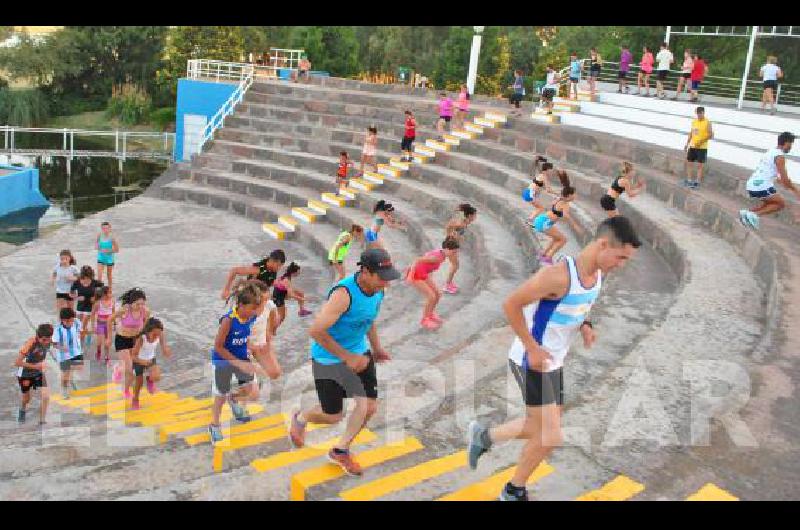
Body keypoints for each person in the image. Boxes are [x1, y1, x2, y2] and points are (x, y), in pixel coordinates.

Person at [466, 216, 641, 501]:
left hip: (553, 361)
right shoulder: (558, 275)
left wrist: (586, 325)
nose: (621, 264)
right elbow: (511, 304)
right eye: (620, 257)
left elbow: (580, 305)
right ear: (603, 245)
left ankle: (484, 437)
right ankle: (512, 492)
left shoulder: (597, 274)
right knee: (550, 434)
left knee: (538, 426)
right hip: (532, 360)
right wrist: (532, 347)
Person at [288, 248, 400, 476]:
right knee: (333, 416)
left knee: (369, 406)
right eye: (382, 278)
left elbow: (368, 320)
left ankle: (341, 450)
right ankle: (301, 417)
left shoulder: (378, 291)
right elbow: (316, 331)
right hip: (328, 359)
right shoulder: (343, 294)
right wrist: (346, 357)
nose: (386, 284)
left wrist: (376, 348)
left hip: (360, 352)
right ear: (366, 272)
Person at [208, 283, 268, 444]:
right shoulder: (228, 321)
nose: (254, 312)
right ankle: (214, 425)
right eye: (251, 308)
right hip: (222, 361)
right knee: (220, 396)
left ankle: (233, 398)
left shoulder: (251, 316)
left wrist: (252, 347)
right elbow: (218, 347)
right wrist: (238, 364)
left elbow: (242, 337)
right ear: (240, 305)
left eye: (255, 308)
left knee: (253, 393)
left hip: (241, 358)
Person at [740, 132, 800, 230]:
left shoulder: (770, 152)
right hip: (761, 186)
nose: (791, 147)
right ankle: (754, 215)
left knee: (769, 203)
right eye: (790, 144)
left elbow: (771, 173)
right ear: (786, 143)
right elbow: (785, 180)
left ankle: (747, 213)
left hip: (752, 184)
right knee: (780, 204)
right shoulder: (780, 157)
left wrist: (781, 181)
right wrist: (795, 190)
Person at [530, 171, 584, 265]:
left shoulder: (560, 199)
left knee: (556, 238)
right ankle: (548, 257)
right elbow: (567, 216)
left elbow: (557, 202)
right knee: (563, 240)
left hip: (542, 220)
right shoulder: (565, 204)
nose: (576, 196)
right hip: (544, 222)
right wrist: (576, 226)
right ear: (570, 195)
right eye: (575, 194)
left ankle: (543, 254)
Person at [406, 237, 461, 330]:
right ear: (447, 249)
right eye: (453, 252)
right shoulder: (437, 257)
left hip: (423, 273)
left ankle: (430, 314)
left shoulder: (442, 255)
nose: (454, 254)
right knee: (431, 296)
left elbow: (427, 265)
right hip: (416, 274)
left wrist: (429, 278)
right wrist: (410, 276)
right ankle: (425, 320)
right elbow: (417, 260)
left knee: (438, 293)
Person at [110, 287, 150, 399]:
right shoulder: (124, 310)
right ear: (131, 303)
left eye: (143, 304)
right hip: (122, 339)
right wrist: (109, 336)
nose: (140, 307)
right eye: (137, 304)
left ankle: (118, 368)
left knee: (129, 367)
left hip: (135, 340)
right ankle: (125, 390)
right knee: (129, 369)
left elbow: (145, 325)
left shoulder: (146, 311)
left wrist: (144, 338)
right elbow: (110, 319)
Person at [130, 317, 172, 410]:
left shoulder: (160, 335)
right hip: (139, 361)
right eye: (154, 334)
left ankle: (149, 379)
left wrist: (166, 350)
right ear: (148, 331)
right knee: (139, 383)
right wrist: (142, 361)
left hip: (151, 359)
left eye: (158, 334)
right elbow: (133, 356)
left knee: (157, 376)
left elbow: (163, 346)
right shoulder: (141, 339)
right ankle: (135, 399)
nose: (156, 336)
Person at [15, 323, 53, 424]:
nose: (46, 342)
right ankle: (22, 409)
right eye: (43, 340)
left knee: (46, 396)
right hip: (25, 374)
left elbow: (56, 343)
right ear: (38, 337)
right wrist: (36, 366)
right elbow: (17, 362)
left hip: (39, 372)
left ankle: (42, 420)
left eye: (48, 339)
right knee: (26, 399)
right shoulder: (30, 344)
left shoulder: (49, 340)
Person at [246, 279, 282, 383]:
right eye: (263, 300)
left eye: (267, 299)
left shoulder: (269, 305)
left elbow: (274, 317)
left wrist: (269, 333)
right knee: (251, 381)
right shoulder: (243, 310)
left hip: (261, 343)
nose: (266, 303)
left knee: (275, 373)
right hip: (244, 346)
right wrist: (250, 347)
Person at [220, 249, 287, 302]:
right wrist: (226, 290)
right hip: (249, 299)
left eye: (280, 266)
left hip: (260, 297)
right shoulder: (258, 269)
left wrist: (278, 285)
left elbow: (267, 281)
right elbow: (234, 270)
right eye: (279, 265)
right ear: (272, 261)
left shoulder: (272, 269)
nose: (279, 268)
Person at [443, 204, 478, 295]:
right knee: (455, 266)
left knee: (455, 265)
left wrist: (455, 236)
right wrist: (450, 235)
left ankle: (449, 283)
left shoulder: (464, 222)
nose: (475, 217)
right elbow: (449, 226)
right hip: (451, 244)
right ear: (470, 215)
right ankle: (447, 285)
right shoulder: (461, 223)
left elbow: (451, 226)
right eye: (474, 215)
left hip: (453, 244)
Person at [270, 262, 313, 335]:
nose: (299, 274)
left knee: (300, 293)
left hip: (282, 292)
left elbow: (287, 288)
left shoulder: (287, 276)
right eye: (298, 272)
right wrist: (302, 299)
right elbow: (290, 295)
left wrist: (299, 297)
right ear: (294, 272)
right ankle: (272, 331)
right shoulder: (287, 280)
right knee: (282, 317)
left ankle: (302, 311)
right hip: (278, 297)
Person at [53, 307, 83, 399]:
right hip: (64, 355)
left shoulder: (77, 322)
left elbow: (80, 332)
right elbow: (54, 344)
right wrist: (62, 348)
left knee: (77, 367)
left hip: (76, 351)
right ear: (63, 320)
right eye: (68, 321)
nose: (71, 322)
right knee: (66, 373)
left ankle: (69, 376)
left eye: (72, 320)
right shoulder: (58, 330)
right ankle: (64, 388)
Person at [70, 266, 102, 349]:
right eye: (84, 278)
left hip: (90, 306)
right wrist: (77, 297)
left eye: (88, 278)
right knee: (77, 324)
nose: (86, 280)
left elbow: (103, 290)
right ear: (81, 276)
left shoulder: (95, 282)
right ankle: (86, 335)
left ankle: (79, 343)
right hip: (80, 305)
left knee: (83, 325)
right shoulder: (76, 282)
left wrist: (96, 297)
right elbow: (70, 294)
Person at [684, 106, 713, 189]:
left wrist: (701, 141)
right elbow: (691, 133)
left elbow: (711, 135)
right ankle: (689, 181)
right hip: (693, 146)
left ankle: (697, 182)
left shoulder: (708, 122)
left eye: (700, 113)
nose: (699, 115)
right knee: (689, 163)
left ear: (703, 113)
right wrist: (687, 143)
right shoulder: (694, 121)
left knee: (700, 165)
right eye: (698, 114)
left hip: (702, 147)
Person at [523, 156, 555, 220]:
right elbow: (548, 190)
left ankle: (530, 219)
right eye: (551, 171)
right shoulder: (544, 177)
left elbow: (538, 167)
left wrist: (538, 161)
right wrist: (558, 193)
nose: (552, 173)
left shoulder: (541, 174)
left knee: (540, 207)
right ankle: (530, 219)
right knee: (540, 208)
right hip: (530, 193)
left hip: (527, 191)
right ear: (547, 171)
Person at [90, 285, 114, 363]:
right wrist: (93, 326)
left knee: (107, 341)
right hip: (100, 324)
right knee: (100, 341)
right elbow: (93, 314)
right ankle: (99, 350)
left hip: (109, 325)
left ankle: (107, 355)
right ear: (104, 294)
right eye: (110, 292)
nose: (111, 294)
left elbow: (113, 314)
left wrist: (115, 324)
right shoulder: (98, 303)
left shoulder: (112, 302)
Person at [52, 249, 79, 316]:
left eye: (65, 259)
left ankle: (72, 322)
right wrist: (53, 280)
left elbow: (79, 277)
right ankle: (60, 322)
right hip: (60, 290)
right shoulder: (57, 267)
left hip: (70, 291)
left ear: (69, 258)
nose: (63, 261)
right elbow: (54, 273)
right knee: (60, 309)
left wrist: (73, 278)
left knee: (70, 309)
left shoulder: (73, 268)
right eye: (62, 259)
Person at [95, 221, 119, 289]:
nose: (105, 230)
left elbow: (117, 250)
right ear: (101, 229)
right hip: (101, 257)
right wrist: (97, 247)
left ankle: (110, 289)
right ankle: (99, 289)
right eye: (103, 228)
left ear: (110, 229)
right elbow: (96, 244)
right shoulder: (99, 235)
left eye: (106, 228)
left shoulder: (112, 238)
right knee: (99, 274)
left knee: (109, 275)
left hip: (109, 258)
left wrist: (109, 250)